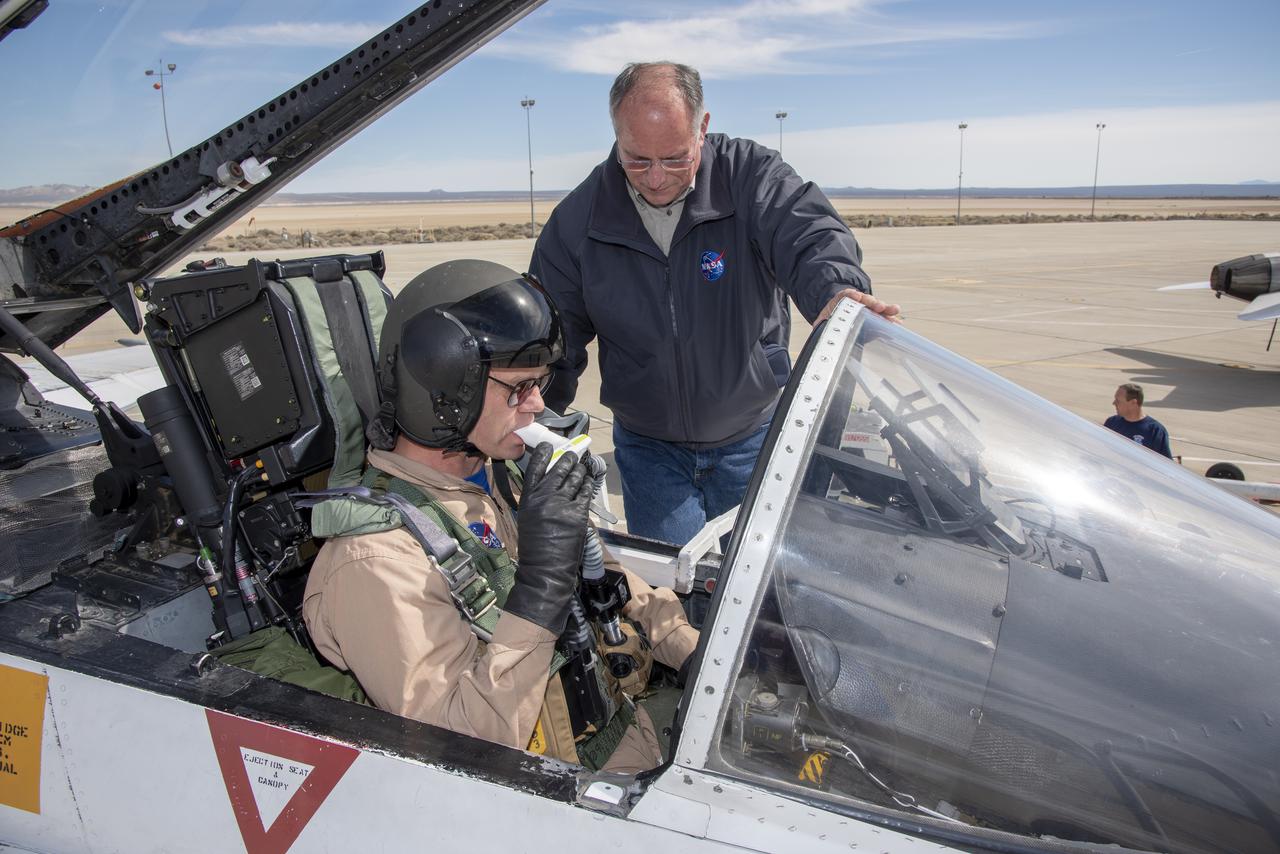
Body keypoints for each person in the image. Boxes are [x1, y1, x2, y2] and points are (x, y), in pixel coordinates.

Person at [302, 259, 698, 773]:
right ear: (444, 393)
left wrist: (698, 657)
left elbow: (612, 584)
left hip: (627, 734)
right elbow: (460, 748)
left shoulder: (504, 476)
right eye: (517, 388)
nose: (537, 405)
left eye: (539, 383)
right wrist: (542, 584)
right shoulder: (375, 559)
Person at [530, 61, 899, 545]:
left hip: (752, 437)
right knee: (675, 596)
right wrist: (528, 414)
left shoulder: (750, 176)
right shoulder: (581, 218)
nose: (657, 178)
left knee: (755, 587)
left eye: (676, 159)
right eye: (638, 160)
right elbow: (549, 332)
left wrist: (835, 289)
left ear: (703, 128)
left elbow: (809, 232)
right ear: (616, 135)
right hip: (649, 449)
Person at [1104, 383, 1173, 458]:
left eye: (1118, 401)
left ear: (1133, 403)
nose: (1114, 403)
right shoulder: (1111, 423)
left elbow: (1165, 464)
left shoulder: (1155, 431)